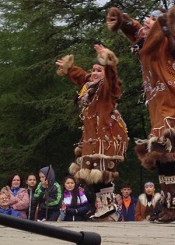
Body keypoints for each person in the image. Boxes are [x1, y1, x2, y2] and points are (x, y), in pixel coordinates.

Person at [108, 1, 175, 224]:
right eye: (146, 18)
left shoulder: (164, 40)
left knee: (165, 154)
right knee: (161, 157)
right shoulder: (145, 41)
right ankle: (173, 207)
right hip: (161, 106)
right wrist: (120, 19)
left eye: (151, 19)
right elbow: (132, 27)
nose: (146, 21)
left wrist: (170, 21)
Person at [56, 44, 129, 220]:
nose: (94, 73)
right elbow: (82, 76)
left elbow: (112, 77)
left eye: (99, 70)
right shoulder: (90, 85)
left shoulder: (108, 88)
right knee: (92, 175)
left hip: (109, 136)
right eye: (93, 70)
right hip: (92, 138)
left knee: (103, 173)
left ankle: (109, 209)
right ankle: (104, 209)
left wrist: (109, 62)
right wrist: (69, 68)